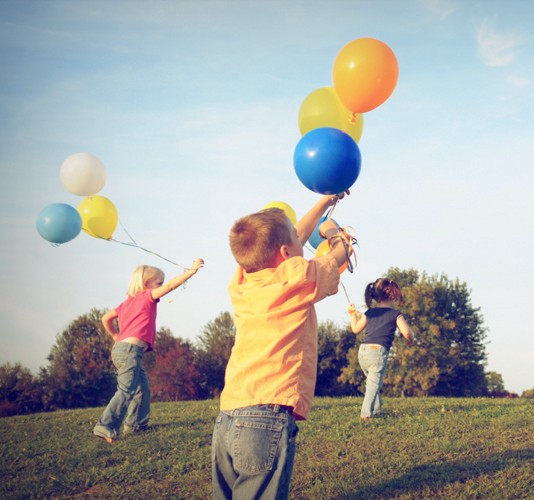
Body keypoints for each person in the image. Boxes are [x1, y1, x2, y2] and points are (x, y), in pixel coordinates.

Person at [212, 193, 350, 500]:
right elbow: (336, 257)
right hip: (266, 417)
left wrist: (325, 202)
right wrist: (339, 237)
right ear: (287, 253)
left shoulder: (242, 281)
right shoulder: (296, 279)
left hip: (229, 414)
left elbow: (292, 238)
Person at [93, 259, 204, 443]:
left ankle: (137, 425)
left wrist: (115, 335)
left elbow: (105, 318)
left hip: (123, 350)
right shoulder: (146, 296)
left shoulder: (126, 303)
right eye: (158, 283)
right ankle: (105, 426)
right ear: (146, 285)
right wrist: (191, 272)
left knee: (142, 389)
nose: (160, 286)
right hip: (129, 351)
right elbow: (170, 286)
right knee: (126, 389)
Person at [348, 278, 414, 421]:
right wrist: (411, 339)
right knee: (373, 385)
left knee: (373, 382)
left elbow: (355, 329)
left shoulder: (370, 313)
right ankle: (365, 414)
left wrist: (352, 315)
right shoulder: (395, 314)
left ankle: (377, 410)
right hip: (377, 352)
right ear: (393, 296)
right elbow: (406, 332)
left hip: (363, 352)